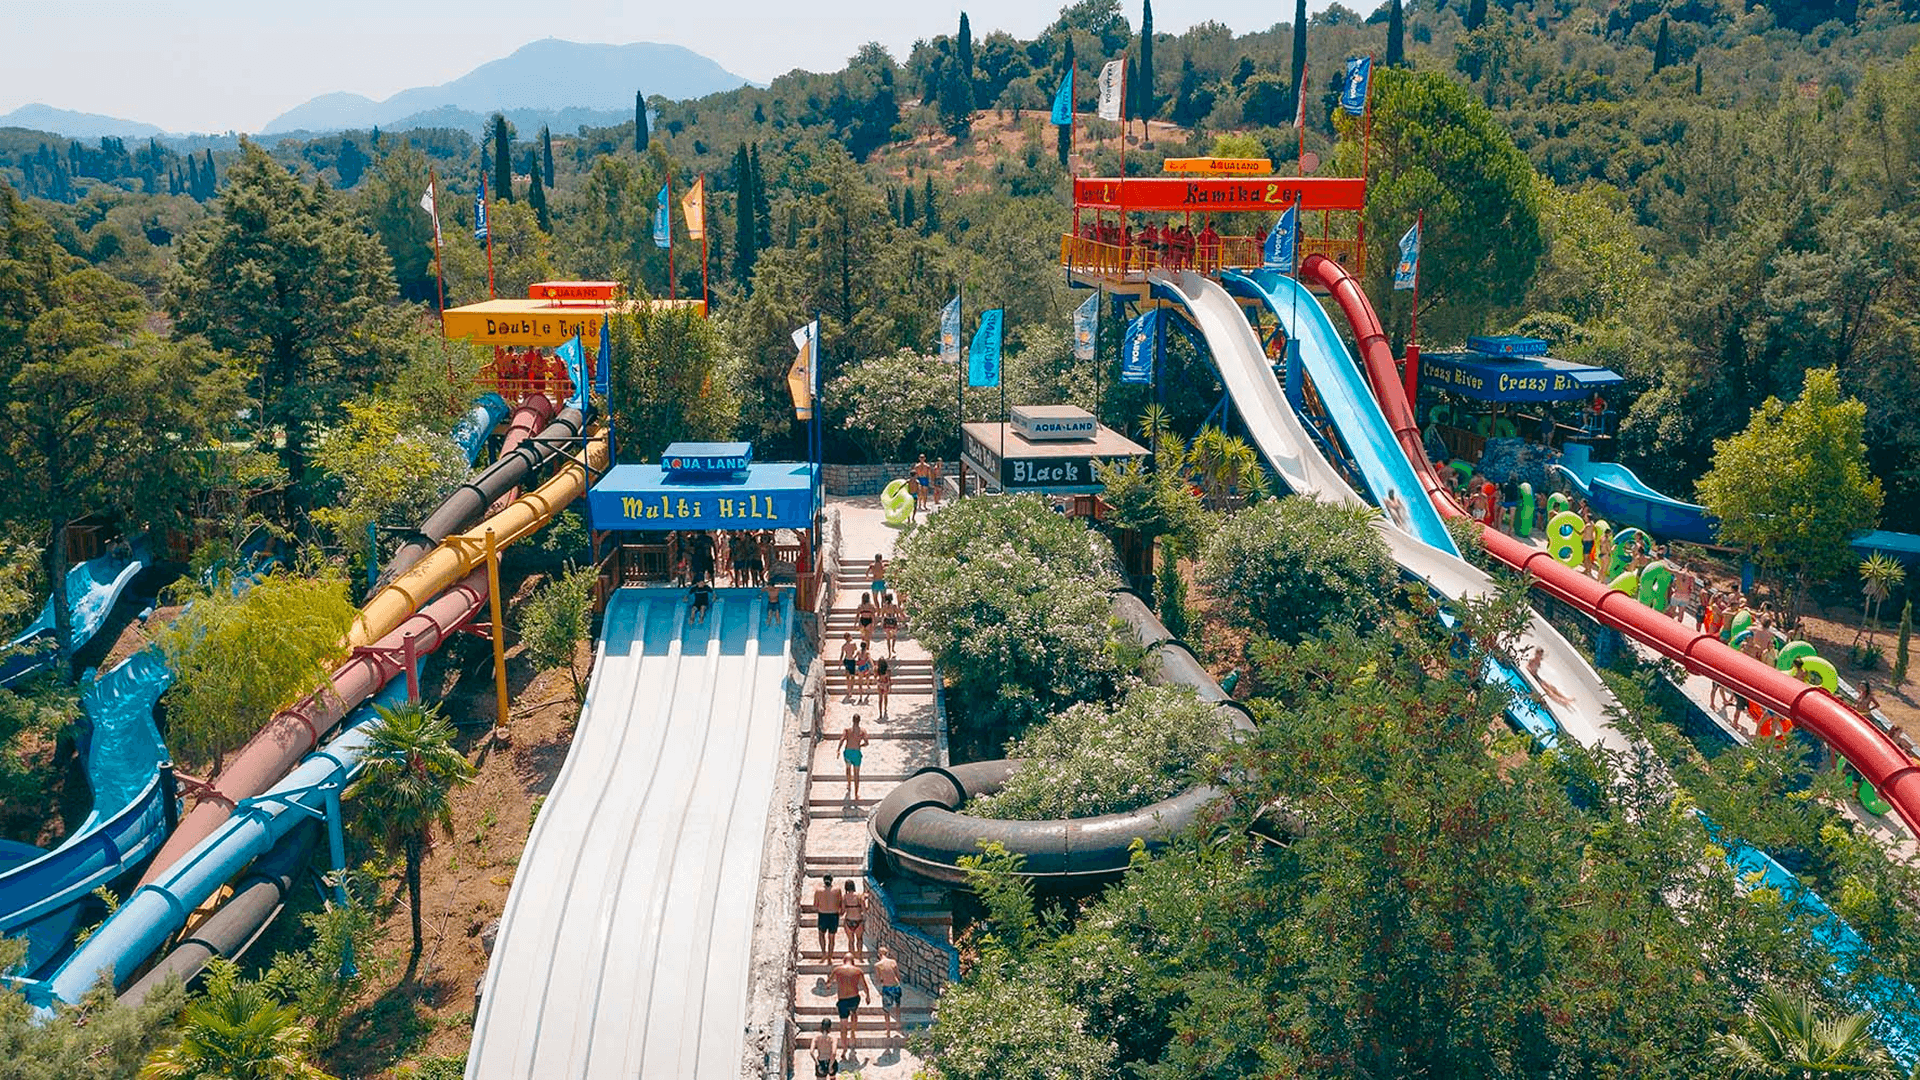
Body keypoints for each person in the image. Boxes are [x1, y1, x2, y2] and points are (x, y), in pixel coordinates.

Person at [830, 953, 871, 1060]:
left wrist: (829, 984)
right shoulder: (858, 971)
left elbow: (830, 982)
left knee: (843, 1026)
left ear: (844, 960)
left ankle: (844, 1048)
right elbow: (864, 985)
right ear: (853, 961)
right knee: (854, 1013)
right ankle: (853, 1032)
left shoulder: (837, 970)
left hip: (842, 1000)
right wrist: (868, 996)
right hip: (854, 998)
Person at [874, 948, 903, 1042]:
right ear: (887, 953)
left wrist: (882, 981)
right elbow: (898, 976)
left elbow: (878, 980)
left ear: (879, 954)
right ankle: (898, 1023)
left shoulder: (878, 965)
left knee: (887, 1010)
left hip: (887, 987)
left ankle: (888, 1030)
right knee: (897, 1006)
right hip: (896, 986)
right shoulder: (893, 962)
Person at [840, 713, 871, 801]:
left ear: (852, 720)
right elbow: (867, 743)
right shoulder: (862, 731)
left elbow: (842, 739)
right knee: (857, 774)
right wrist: (860, 745)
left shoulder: (847, 730)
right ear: (859, 721)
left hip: (848, 752)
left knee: (848, 769)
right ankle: (856, 794)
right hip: (857, 753)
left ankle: (849, 784)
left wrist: (838, 749)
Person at [811, 875, 842, 960]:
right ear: (832, 880)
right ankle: (830, 955)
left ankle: (824, 953)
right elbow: (840, 903)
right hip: (834, 915)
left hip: (823, 914)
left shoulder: (818, 891)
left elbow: (815, 905)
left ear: (823, 881)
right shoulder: (837, 890)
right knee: (831, 937)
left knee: (821, 935)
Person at [840, 879, 868, 957]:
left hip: (848, 920)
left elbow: (843, 911)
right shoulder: (859, 896)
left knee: (851, 941)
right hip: (858, 920)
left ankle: (851, 958)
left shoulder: (844, 897)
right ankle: (859, 956)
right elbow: (864, 909)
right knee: (859, 939)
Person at [839, 635, 859, 703]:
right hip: (852, 660)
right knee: (852, 677)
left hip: (846, 660)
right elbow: (855, 650)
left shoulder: (843, 646)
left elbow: (842, 654)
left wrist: (840, 662)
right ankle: (851, 690)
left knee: (848, 677)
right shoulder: (853, 644)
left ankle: (848, 690)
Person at [875, 654, 892, 718]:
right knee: (885, 697)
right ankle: (885, 709)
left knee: (880, 699)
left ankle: (880, 712)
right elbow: (889, 679)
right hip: (886, 683)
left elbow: (875, 677)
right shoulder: (888, 670)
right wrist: (890, 686)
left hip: (880, 684)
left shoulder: (877, 669)